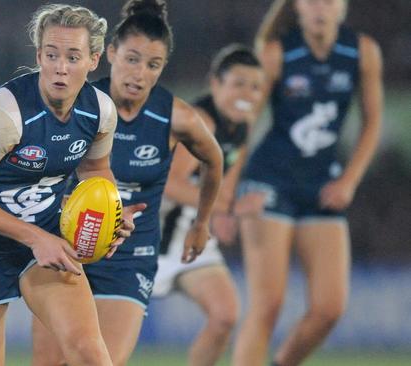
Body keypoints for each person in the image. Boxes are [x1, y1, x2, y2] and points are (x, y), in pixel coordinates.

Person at [0, 4, 145, 366]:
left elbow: (96, 171)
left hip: (45, 242)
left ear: (93, 60)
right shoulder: (4, 115)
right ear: (38, 56)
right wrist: (35, 238)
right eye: (52, 54)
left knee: (92, 357)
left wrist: (111, 211)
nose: (61, 67)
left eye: (73, 56)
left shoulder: (100, 112)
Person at [31, 1, 224, 365]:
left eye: (153, 65)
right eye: (132, 59)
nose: (139, 74)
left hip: (131, 257)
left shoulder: (175, 116)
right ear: (110, 54)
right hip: (67, 247)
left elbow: (214, 160)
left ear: (163, 67)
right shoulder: (81, 103)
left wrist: (202, 222)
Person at [231, 0, 383, 365]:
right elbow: (245, 126)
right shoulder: (275, 53)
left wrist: (349, 180)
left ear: (343, 6)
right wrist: (228, 194)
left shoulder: (362, 51)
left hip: (321, 186)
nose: (320, 7)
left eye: (328, 0)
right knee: (267, 304)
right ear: (297, 6)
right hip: (269, 182)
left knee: (329, 308)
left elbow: (372, 122)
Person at [153, 44, 265, 366]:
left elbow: (225, 189)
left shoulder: (242, 126)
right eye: (239, 84)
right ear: (216, 84)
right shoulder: (201, 121)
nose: (248, 93)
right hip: (153, 236)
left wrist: (226, 214)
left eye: (256, 86)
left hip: (193, 234)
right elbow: (170, 185)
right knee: (106, 336)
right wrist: (231, 209)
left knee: (225, 314)